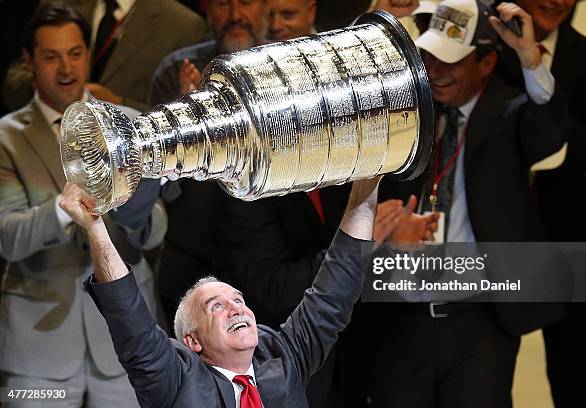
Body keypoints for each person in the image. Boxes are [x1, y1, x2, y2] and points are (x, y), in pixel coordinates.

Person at [367, 0, 569, 406]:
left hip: (479, 322)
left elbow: (550, 134)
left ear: (488, 63)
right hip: (399, 320)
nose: (435, 70)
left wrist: (530, 58)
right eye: (428, 56)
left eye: (450, 61)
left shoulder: (511, 113)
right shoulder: (406, 112)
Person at [58, 174, 379, 408]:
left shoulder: (284, 357)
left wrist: (371, 178)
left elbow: (334, 291)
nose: (236, 308)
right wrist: (94, 227)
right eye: (216, 306)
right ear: (192, 341)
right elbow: (129, 318)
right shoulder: (175, 382)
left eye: (238, 300)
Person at [0, 3, 166, 406]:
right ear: (29, 62)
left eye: (75, 53)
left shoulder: (130, 124)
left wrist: (138, 210)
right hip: (38, 349)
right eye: (51, 56)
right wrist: (64, 208)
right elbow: (9, 237)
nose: (66, 68)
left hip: (125, 339)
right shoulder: (6, 136)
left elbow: (156, 231)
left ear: (88, 55)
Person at [498, 0, 586, 406]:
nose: (558, 1)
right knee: (481, 372)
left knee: (580, 369)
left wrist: (544, 94)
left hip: (570, 233)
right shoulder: (486, 48)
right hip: (491, 233)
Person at [149, 0, 270, 331]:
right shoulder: (175, 71)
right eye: (221, 4)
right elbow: (161, 185)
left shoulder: (284, 69)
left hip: (271, 267)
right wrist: (187, 122)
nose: (235, 16)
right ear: (206, 10)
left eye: (246, 2)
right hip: (191, 264)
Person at [2, 0, 208, 112]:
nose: (66, 67)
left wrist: (118, 103)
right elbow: (15, 81)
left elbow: (183, 113)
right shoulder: (59, 4)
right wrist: (54, 90)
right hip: (44, 139)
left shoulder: (184, 25)